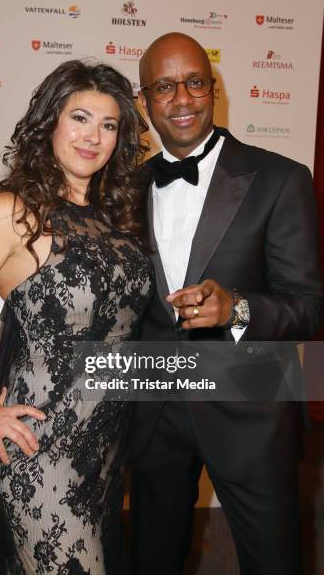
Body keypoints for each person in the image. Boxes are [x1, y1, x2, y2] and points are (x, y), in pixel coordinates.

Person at [0, 60, 154, 574]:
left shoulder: (116, 217)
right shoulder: (13, 212)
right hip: (44, 459)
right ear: (50, 122)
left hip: (107, 458)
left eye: (108, 125)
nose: (93, 137)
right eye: (80, 118)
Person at [130, 32, 322, 575]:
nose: (183, 100)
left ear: (213, 89)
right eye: (164, 88)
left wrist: (236, 308)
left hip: (252, 409)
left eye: (195, 82)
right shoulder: (124, 188)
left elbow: (308, 306)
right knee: (152, 559)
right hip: (153, 410)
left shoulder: (282, 179)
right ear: (144, 101)